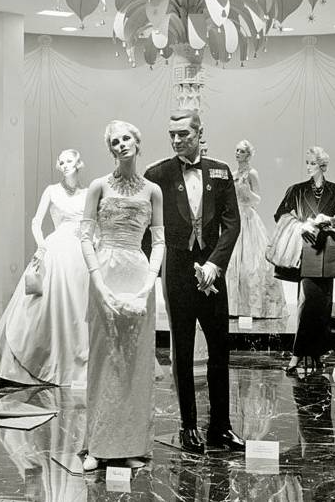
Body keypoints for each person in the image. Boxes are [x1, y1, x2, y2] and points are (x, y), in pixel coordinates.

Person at [144, 109, 244, 454]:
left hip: (213, 274)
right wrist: (152, 273)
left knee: (220, 350)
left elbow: (232, 224)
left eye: (183, 134)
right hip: (178, 273)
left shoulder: (221, 171)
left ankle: (221, 426)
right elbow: (149, 231)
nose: (175, 140)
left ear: (200, 133)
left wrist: (216, 264)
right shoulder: (156, 174)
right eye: (171, 134)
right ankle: (187, 426)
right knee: (182, 351)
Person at [80, 120, 165, 471]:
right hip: (106, 270)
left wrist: (148, 285)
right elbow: (85, 237)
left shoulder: (153, 191)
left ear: (138, 141)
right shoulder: (98, 186)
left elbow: (159, 241)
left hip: (138, 272)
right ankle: (98, 446)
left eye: (126, 138)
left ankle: (131, 444)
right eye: (114, 141)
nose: (121, 144)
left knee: (136, 362)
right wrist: (98, 282)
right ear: (110, 148)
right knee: (105, 358)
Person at [0, 149, 89, 386]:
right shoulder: (52, 190)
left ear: (79, 164)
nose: (65, 164)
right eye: (61, 161)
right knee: (43, 303)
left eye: (69, 160)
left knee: (80, 304)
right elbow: (37, 221)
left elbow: (91, 223)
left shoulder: (88, 194)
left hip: (80, 251)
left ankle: (78, 358)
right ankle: (38, 357)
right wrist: (40, 245)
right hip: (55, 248)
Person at [275, 146, 335, 375]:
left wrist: (329, 220)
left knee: (324, 305)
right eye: (307, 162)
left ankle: (317, 354)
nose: (308, 166)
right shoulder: (296, 190)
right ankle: (297, 354)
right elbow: (280, 214)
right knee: (307, 303)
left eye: (312, 163)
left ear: (322, 166)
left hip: (327, 250)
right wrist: (301, 226)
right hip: (306, 248)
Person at [226, 140, 287, 319]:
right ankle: (233, 307)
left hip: (249, 218)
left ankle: (254, 308)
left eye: (242, 151)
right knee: (232, 264)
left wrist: (247, 192)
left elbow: (257, 200)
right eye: (236, 150)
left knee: (252, 265)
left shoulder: (252, 174)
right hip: (235, 218)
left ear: (248, 155)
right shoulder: (234, 173)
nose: (238, 153)